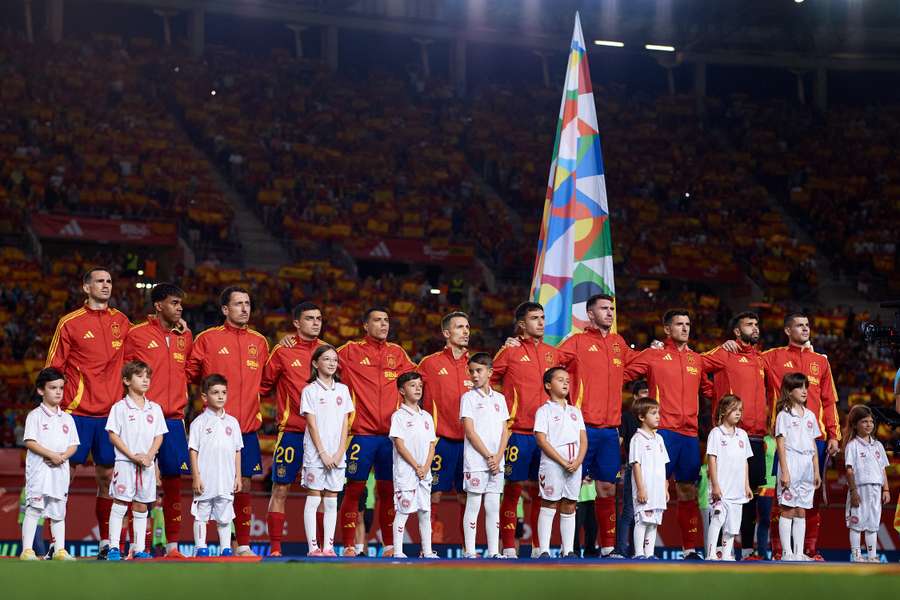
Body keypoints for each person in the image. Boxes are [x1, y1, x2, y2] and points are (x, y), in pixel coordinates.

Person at [46, 267, 131, 558]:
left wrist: (175, 324)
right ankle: (55, 544)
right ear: (86, 287)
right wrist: (51, 408)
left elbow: (144, 344)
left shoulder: (122, 321)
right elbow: (54, 367)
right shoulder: (69, 323)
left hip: (111, 415)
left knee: (107, 477)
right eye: (100, 281)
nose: (106, 285)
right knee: (63, 477)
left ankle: (106, 542)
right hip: (76, 412)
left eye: (109, 281)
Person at [186, 286, 269, 556]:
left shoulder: (260, 342)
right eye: (238, 304)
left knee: (242, 485)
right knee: (207, 486)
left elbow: (266, 382)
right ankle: (201, 546)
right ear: (225, 309)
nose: (244, 308)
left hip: (245, 428)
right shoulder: (207, 339)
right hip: (212, 430)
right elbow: (189, 374)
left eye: (247, 303)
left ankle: (241, 544)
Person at [556, 294, 637, 555]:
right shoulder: (577, 342)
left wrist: (659, 350)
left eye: (612, 308)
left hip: (609, 431)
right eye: (604, 308)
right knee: (571, 487)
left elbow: (638, 363)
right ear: (590, 314)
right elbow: (550, 362)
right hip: (581, 427)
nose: (610, 313)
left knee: (607, 488)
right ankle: (567, 547)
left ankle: (608, 547)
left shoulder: (618, 343)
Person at [624, 309, 705, 559]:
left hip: (690, 434)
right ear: (667, 329)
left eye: (688, 324)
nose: (685, 328)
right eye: (679, 324)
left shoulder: (697, 360)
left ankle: (690, 548)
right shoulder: (654, 355)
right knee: (646, 487)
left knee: (687, 491)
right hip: (663, 432)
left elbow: (711, 389)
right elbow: (622, 371)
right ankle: (632, 548)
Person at [493, 302, 571, 557]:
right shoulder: (509, 352)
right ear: (521, 324)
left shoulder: (554, 354)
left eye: (543, 317)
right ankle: (507, 547)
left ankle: (540, 547)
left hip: (548, 436)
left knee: (544, 491)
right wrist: (504, 409)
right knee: (513, 490)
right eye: (534, 318)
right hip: (519, 432)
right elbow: (489, 380)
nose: (541, 322)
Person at [336, 307, 415, 556]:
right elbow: (318, 356)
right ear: (365, 326)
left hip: (390, 437)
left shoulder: (397, 353)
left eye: (386, 320)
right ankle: (349, 544)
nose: (383, 324)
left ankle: (390, 545)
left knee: (388, 490)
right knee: (354, 489)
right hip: (361, 433)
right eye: (377, 320)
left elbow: (420, 377)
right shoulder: (349, 351)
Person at [122, 282, 193, 558]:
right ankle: (137, 546)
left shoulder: (185, 337)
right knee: (139, 481)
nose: (179, 307)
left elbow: (190, 370)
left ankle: (173, 546)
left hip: (174, 419)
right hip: (143, 417)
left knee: (174, 481)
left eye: (180, 304)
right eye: (174, 303)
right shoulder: (137, 334)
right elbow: (125, 373)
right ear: (158, 305)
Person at [762, 312, 840, 560]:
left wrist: (833, 435)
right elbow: (744, 359)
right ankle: (779, 550)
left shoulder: (821, 361)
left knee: (811, 497)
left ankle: (808, 550)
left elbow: (829, 402)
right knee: (783, 497)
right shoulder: (772, 356)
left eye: (807, 325)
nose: (805, 329)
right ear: (787, 330)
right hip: (785, 441)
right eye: (799, 325)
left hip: (814, 438)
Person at [701, 311, 771, 559]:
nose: (755, 327)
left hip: (755, 437)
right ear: (737, 331)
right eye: (749, 324)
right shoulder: (725, 353)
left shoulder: (761, 359)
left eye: (756, 323)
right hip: (728, 435)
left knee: (748, 494)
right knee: (723, 494)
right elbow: (695, 364)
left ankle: (748, 549)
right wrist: (713, 394)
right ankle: (717, 549)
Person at [260, 301, 326, 556]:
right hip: (292, 431)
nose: (316, 322)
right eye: (310, 318)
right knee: (281, 487)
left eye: (319, 318)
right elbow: (263, 385)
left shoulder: (328, 352)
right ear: (297, 323)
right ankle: (275, 548)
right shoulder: (282, 352)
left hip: (322, 435)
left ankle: (319, 547)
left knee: (319, 491)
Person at [418, 311, 472, 543]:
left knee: (467, 496)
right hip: (440, 440)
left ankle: (468, 548)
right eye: (460, 327)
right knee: (434, 494)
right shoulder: (429, 364)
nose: (466, 331)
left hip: (471, 443)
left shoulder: (477, 364)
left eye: (468, 327)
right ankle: (427, 547)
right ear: (446, 333)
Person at [105, 360, 167, 561]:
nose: (145, 380)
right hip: (125, 463)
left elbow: (159, 436)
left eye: (147, 376)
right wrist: (131, 456)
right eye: (140, 376)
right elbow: (113, 435)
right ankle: (114, 547)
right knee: (121, 504)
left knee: (141, 506)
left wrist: (149, 456)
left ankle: (138, 548)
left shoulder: (154, 408)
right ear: (126, 380)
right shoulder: (119, 407)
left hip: (147, 465)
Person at [20, 368, 79, 561]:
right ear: (40, 390)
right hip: (39, 470)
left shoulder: (67, 418)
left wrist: (62, 457)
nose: (58, 392)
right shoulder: (34, 416)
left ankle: (60, 549)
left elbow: (73, 445)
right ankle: (27, 550)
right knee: (34, 508)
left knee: (58, 511)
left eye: (61, 388)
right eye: (53, 388)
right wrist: (51, 454)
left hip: (59, 471)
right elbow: (29, 441)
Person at [300, 345, 353, 557]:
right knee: (314, 499)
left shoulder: (343, 390)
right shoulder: (309, 390)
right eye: (326, 359)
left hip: (337, 454)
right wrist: (322, 453)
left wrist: (340, 452)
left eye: (334, 359)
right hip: (315, 454)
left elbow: (345, 423)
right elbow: (311, 424)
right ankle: (313, 547)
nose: (332, 363)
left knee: (332, 500)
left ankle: (329, 547)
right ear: (315, 363)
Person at [459, 352, 510, 558]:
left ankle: (493, 551)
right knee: (473, 504)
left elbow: (505, 429)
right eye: (471, 371)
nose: (474, 375)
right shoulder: (468, 397)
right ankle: (470, 551)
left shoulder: (500, 398)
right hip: (476, 461)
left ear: (490, 372)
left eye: (478, 371)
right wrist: (489, 456)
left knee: (492, 506)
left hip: (497, 462)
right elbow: (469, 431)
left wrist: (498, 457)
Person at [534, 367, 587, 558]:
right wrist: (563, 461)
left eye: (567, 380)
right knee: (549, 502)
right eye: (560, 380)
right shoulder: (544, 411)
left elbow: (583, 439)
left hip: (575, 463)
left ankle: (568, 550)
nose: (565, 383)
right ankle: (545, 550)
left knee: (570, 503)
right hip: (553, 463)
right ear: (548, 385)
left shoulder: (575, 411)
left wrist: (578, 461)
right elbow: (541, 439)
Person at [188, 374, 242, 557]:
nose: (220, 396)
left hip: (226, 477)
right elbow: (193, 451)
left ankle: (226, 548)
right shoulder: (199, 423)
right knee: (201, 513)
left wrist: (238, 476)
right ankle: (200, 547)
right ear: (205, 397)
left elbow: (237, 451)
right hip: (206, 477)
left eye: (224, 392)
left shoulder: (233, 423)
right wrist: (196, 476)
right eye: (215, 392)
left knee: (225, 514)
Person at [389, 372, 438, 559]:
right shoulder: (399, 416)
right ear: (402, 390)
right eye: (412, 385)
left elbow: (432, 445)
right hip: (406, 472)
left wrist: (425, 467)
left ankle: (427, 551)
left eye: (419, 385)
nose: (418, 388)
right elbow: (399, 445)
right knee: (403, 510)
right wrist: (416, 466)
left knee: (425, 511)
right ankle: (398, 551)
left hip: (425, 472)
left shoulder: (426, 416)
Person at [774, 373, 821, 562]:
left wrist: (816, 470)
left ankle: (799, 552)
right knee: (788, 508)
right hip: (791, 461)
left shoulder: (810, 415)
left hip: (807, 464)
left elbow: (813, 445)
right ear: (789, 391)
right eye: (799, 387)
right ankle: (787, 552)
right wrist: (785, 470)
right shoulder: (784, 415)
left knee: (802, 509)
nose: (804, 391)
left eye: (805, 387)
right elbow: (780, 443)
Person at [704, 395, 753, 561]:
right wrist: (715, 485)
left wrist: (746, 486)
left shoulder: (743, 435)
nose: (738, 413)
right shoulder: (716, 433)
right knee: (717, 520)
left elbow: (745, 462)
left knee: (732, 527)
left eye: (740, 410)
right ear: (724, 411)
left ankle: (726, 555)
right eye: (734, 409)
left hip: (738, 489)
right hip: (721, 488)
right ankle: (711, 554)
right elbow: (712, 459)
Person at [843, 405, 890, 563]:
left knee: (873, 524)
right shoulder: (852, 446)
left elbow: (882, 469)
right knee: (857, 523)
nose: (869, 424)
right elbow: (849, 471)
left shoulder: (878, 446)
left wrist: (886, 489)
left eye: (871, 421)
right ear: (855, 424)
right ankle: (856, 555)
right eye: (864, 421)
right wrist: (853, 491)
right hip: (859, 488)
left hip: (876, 488)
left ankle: (871, 556)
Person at [628, 396, 669, 559]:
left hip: (658, 489)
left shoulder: (659, 439)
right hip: (645, 488)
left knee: (653, 522)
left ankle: (650, 553)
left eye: (658, 412)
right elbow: (636, 465)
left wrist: (665, 487)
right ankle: (639, 553)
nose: (658, 416)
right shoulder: (637, 439)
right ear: (641, 417)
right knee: (642, 520)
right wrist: (641, 488)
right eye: (653, 413)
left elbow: (664, 464)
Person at [613, 380, 647, 558]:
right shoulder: (627, 417)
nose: (646, 396)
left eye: (648, 392)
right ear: (635, 396)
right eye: (643, 392)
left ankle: (638, 552)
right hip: (631, 467)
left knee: (643, 513)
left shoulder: (653, 417)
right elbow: (620, 442)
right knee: (628, 510)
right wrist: (617, 466)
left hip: (648, 470)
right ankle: (620, 549)